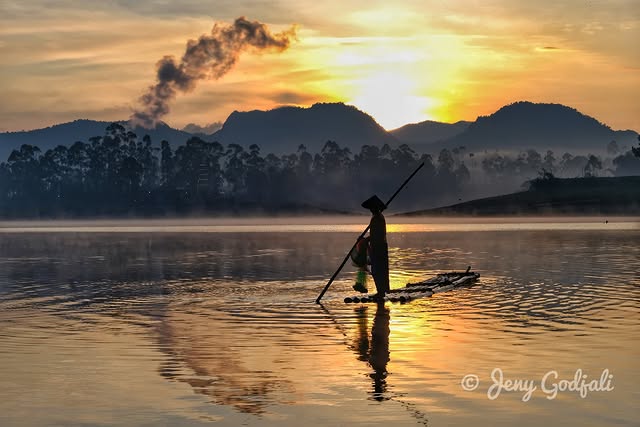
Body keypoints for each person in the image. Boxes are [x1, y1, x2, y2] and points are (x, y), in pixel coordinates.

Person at [361, 195, 389, 299]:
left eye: (372, 208)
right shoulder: (376, 217)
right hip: (377, 246)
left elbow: (378, 234)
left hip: (379, 247)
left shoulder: (378, 218)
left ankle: (381, 292)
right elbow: (374, 234)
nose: (371, 210)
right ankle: (381, 291)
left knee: (378, 271)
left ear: (375, 208)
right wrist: (365, 239)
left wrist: (365, 240)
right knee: (377, 270)